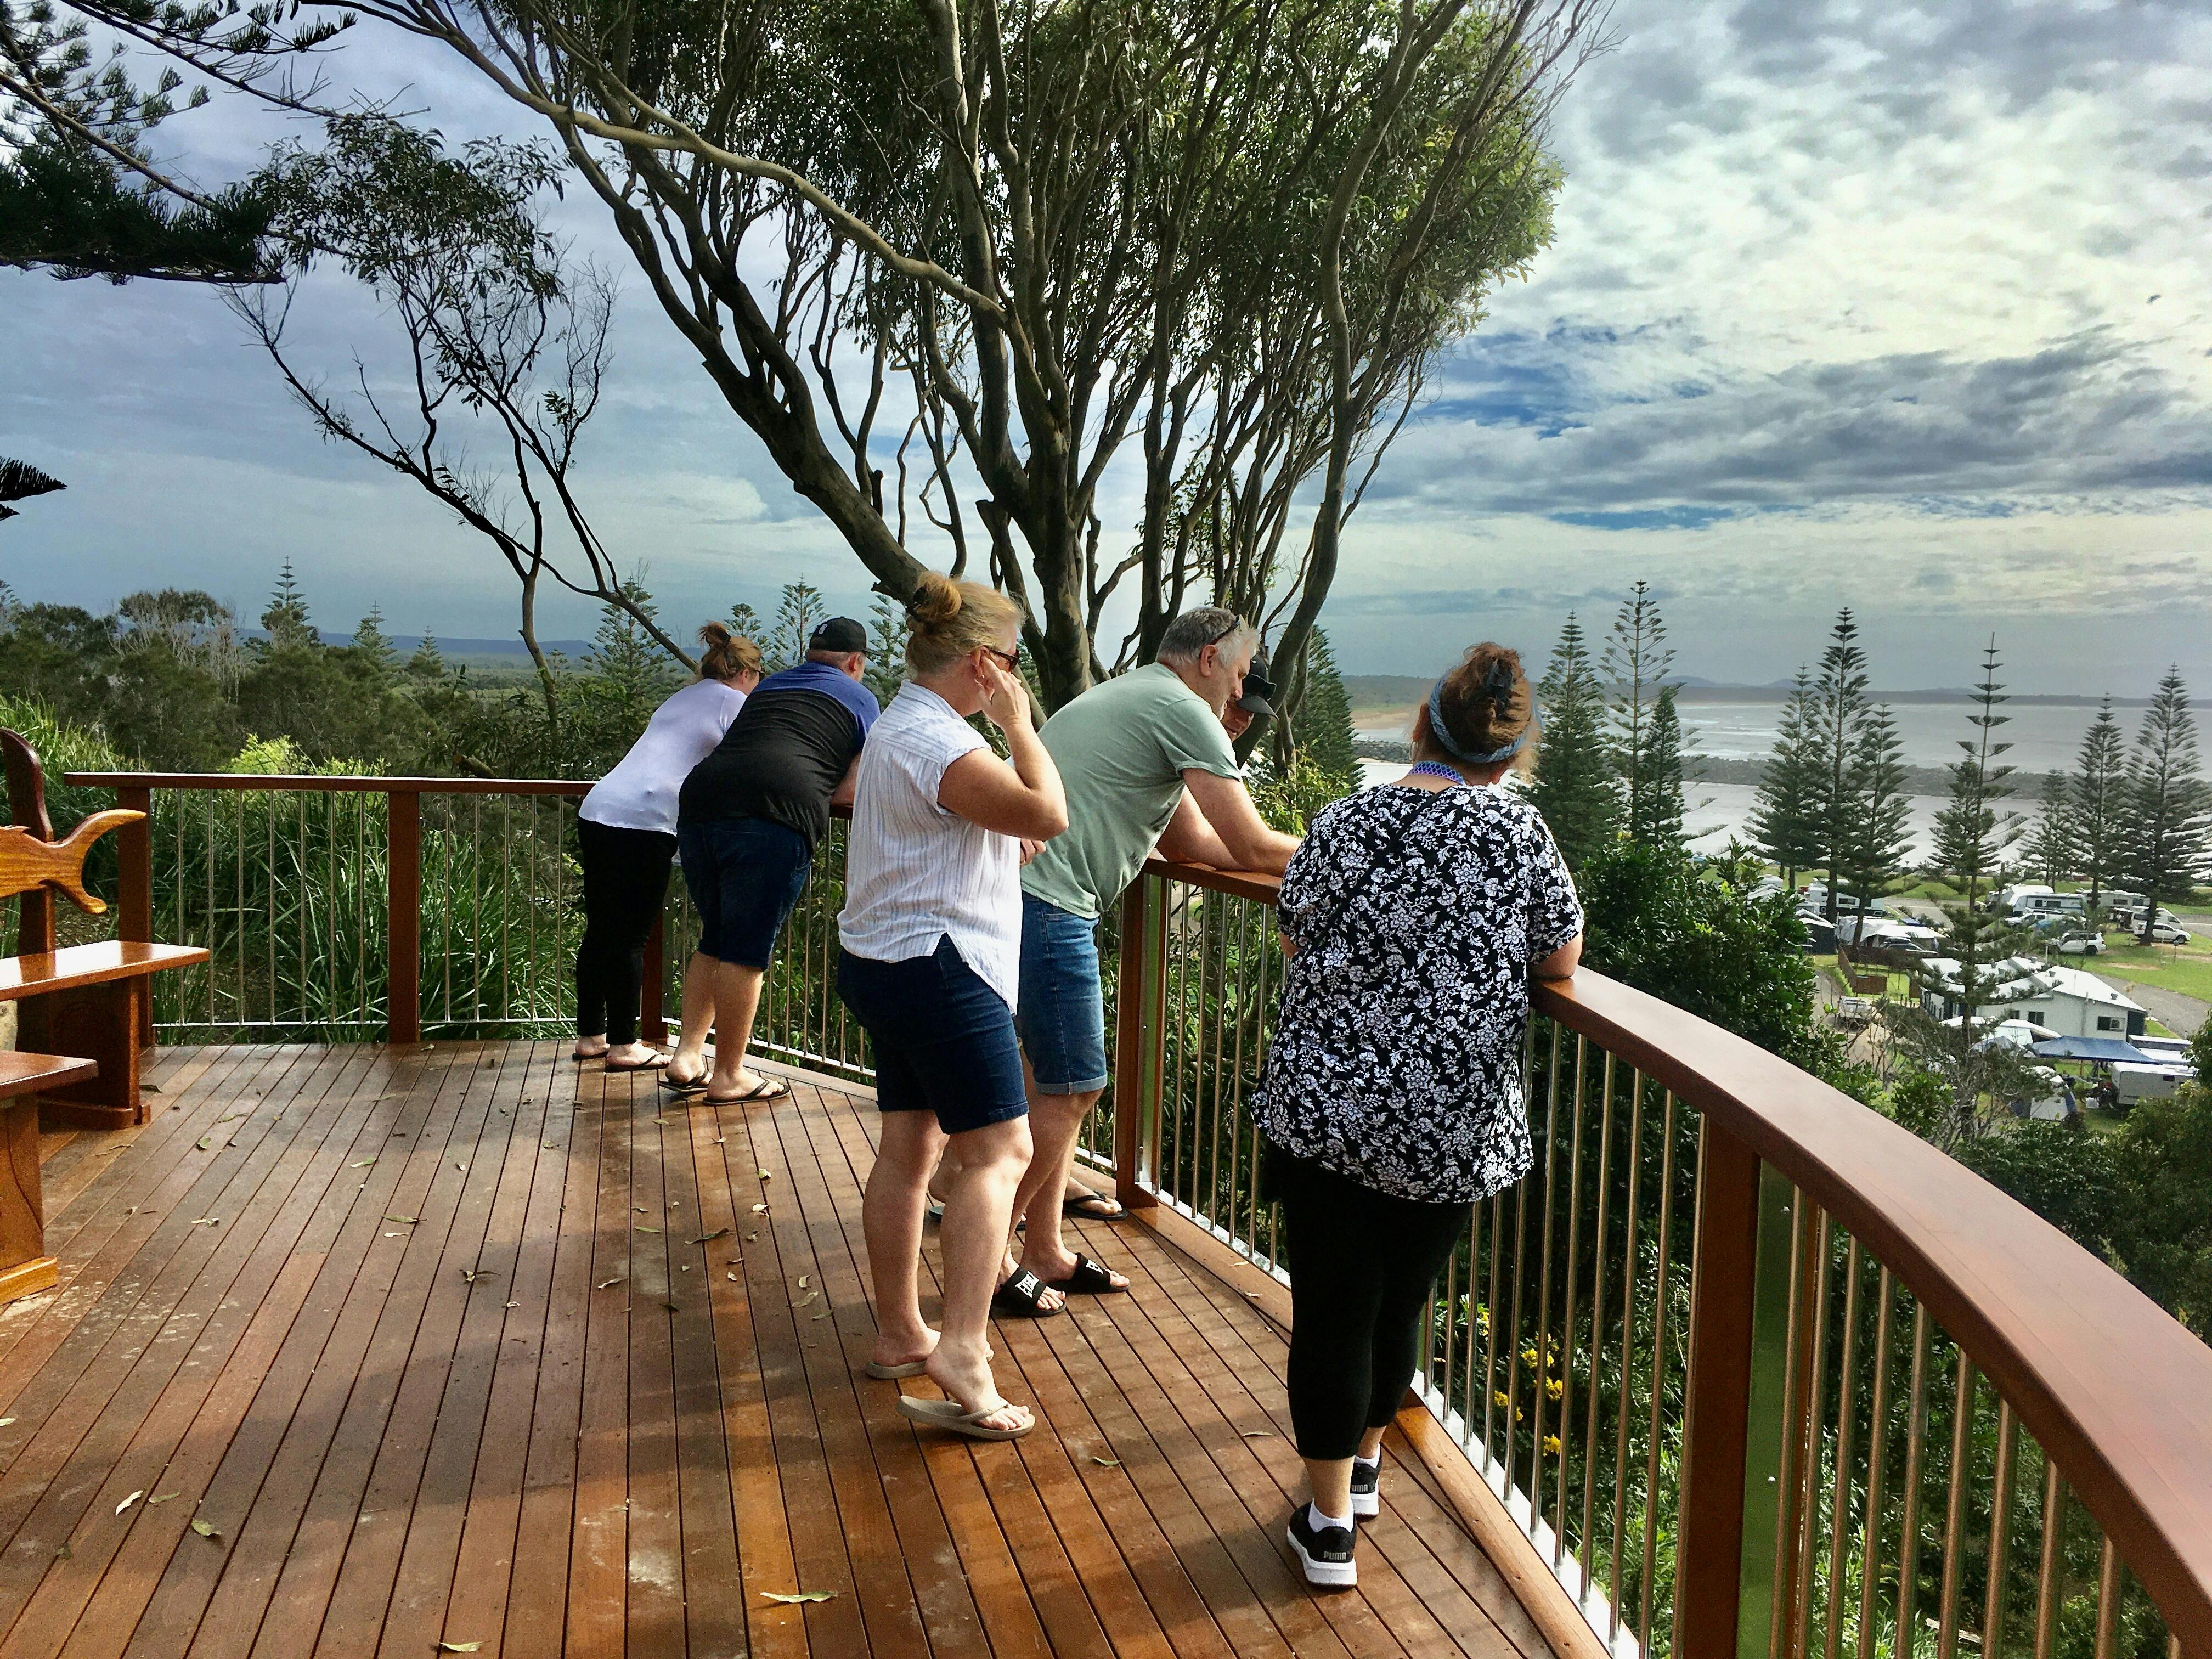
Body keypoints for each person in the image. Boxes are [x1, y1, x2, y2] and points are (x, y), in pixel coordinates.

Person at [1252, 643, 1583, 1589]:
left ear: (1420, 728)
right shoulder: (1521, 835)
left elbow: (1294, 924)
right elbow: (1558, 958)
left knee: (1330, 1311)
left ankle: (1325, 1527)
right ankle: (1361, 1467)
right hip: (1449, 1123)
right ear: (1510, 754)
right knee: (1399, 1302)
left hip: (1327, 1113)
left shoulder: (1349, 817)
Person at [997, 606, 1301, 1311]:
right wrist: (1352, 855)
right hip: (1046, 905)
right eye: (1242, 670)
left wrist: (1305, 868)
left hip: (1023, 895)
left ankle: (1044, 1250)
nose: (1242, 688)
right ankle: (995, 1252)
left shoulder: (1139, 696)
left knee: (1054, 1084)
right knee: (1075, 1089)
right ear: (1209, 659)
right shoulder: (1181, 708)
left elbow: (1196, 845)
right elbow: (1253, 845)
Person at [836, 573, 1068, 1441]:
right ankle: (963, 1348)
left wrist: (1003, 834)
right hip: (941, 966)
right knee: (1001, 1152)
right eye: (1012, 665)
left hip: (888, 960)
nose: (1016, 679)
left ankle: (903, 1332)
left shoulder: (904, 730)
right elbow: (1051, 808)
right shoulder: (942, 739)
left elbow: (973, 829)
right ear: (984, 663)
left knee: (911, 1144)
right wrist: (1021, 728)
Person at [670, 617, 879, 1105]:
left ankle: (687, 1056)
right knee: (747, 949)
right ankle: (729, 1076)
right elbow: (851, 786)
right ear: (856, 663)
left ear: (810, 656)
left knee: (717, 935)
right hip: (774, 812)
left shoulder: (770, 687)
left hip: (701, 801)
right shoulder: (862, 699)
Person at [573, 624, 763, 1070]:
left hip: (600, 808)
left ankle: (591, 1036)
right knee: (631, 936)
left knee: (602, 929)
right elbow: (747, 763)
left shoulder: (682, 697)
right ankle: (623, 1044)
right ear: (746, 673)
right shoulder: (734, 702)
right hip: (644, 819)